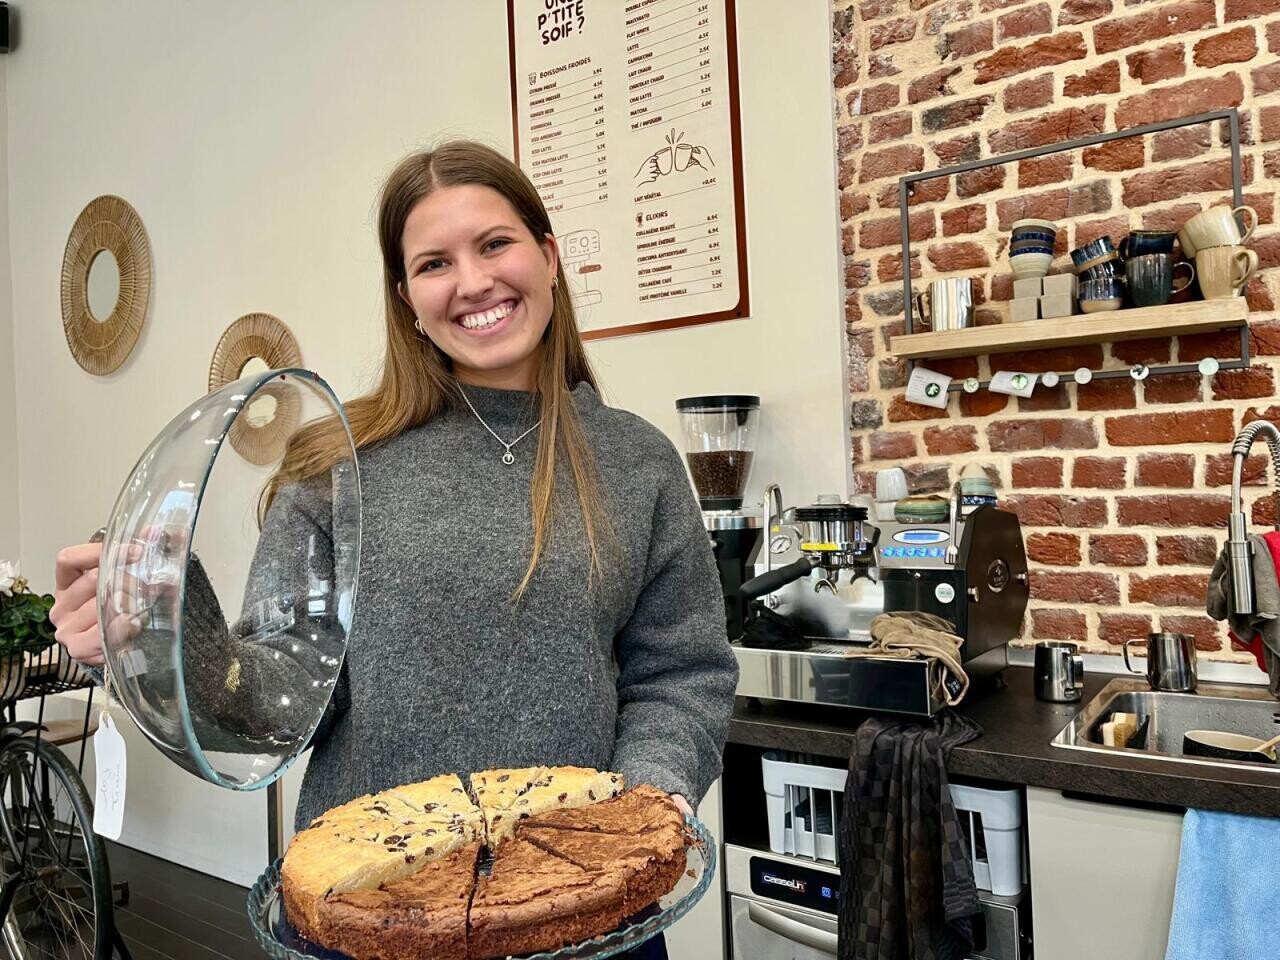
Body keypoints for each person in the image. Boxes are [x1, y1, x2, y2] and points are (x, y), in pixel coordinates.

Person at [50, 140, 737, 957]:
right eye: (434, 262)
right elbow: (280, 697)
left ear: (549, 256)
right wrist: (161, 632)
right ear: (407, 296)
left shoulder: (638, 460)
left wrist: (642, 809)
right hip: (373, 911)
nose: (474, 282)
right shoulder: (333, 466)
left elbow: (682, 674)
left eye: (495, 243)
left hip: (588, 912)